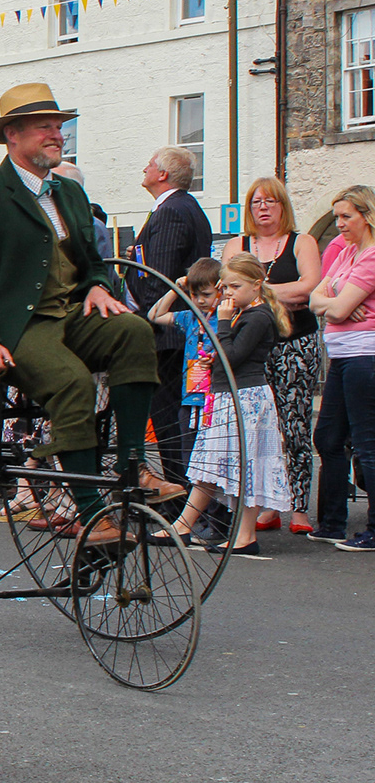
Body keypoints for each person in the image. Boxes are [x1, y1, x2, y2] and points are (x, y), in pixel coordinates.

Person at [0, 83, 173, 544]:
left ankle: (131, 466)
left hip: (71, 316)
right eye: (45, 127)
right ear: (13, 135)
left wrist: (100, 288)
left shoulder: (67, 193)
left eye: (59, 127)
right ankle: (89, 512)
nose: (57, 135)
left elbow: (92, 263)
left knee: (134, 331)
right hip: (17, 325)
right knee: (70, 382)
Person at [155, 255, 292, 558]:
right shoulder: (244, 313)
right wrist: (211, 358)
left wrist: (223, 323)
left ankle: (244, 535)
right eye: (225, 286)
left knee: (247, 466)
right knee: (208, 464)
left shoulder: (257, 316)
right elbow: (224, 354)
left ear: (257, 285)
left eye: (235, 286)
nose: (228, 293)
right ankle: (184, 524)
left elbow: (232, 355)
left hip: (245, 398)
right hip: (228, 396)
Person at [221, 177, 323, 534]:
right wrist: (281, 294)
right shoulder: (238, 245)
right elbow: (229, 291)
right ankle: (264, 507)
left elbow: (309, 288)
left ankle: (298, 507)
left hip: (295, 343)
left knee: (294, 424)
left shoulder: (302, 242)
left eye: (271, 201)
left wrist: (258, 292)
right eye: (256, 202)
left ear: (283, 206)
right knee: (260, 429)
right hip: (252, 347)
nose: (263, 207)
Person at [126, 147, 214, 490]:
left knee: (171, 421)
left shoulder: (172, 211)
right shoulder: (181, 208)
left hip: (168, 336)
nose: (144, 168)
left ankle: (180, 496)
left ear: (163, 174)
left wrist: (142, 321)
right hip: (176, 333)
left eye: (149, 164)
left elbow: (158, 278)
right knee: (177, 418)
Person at [312, 186, 375, 548]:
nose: (339, 224)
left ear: (366, 215)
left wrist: (336, 302)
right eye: (336, 217)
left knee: (368, 444)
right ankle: (332, 523)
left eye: (346, 216)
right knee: (328, 437)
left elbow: (331, 307)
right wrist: (338, 300)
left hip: (365, 355)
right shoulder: (347, 252)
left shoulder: (370, 255)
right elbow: (314, 297)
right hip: (342, 354)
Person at [147, 258, 224, 541]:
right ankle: (201, 515)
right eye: (195, 295)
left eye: (206, 295)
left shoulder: (224, 319)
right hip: (189, 400)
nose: (200, 301)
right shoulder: (189, 317)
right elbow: (155, 315)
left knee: (211, 460)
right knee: (189, 458)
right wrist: (176, 290)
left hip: (212, 402)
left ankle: (216, 515)